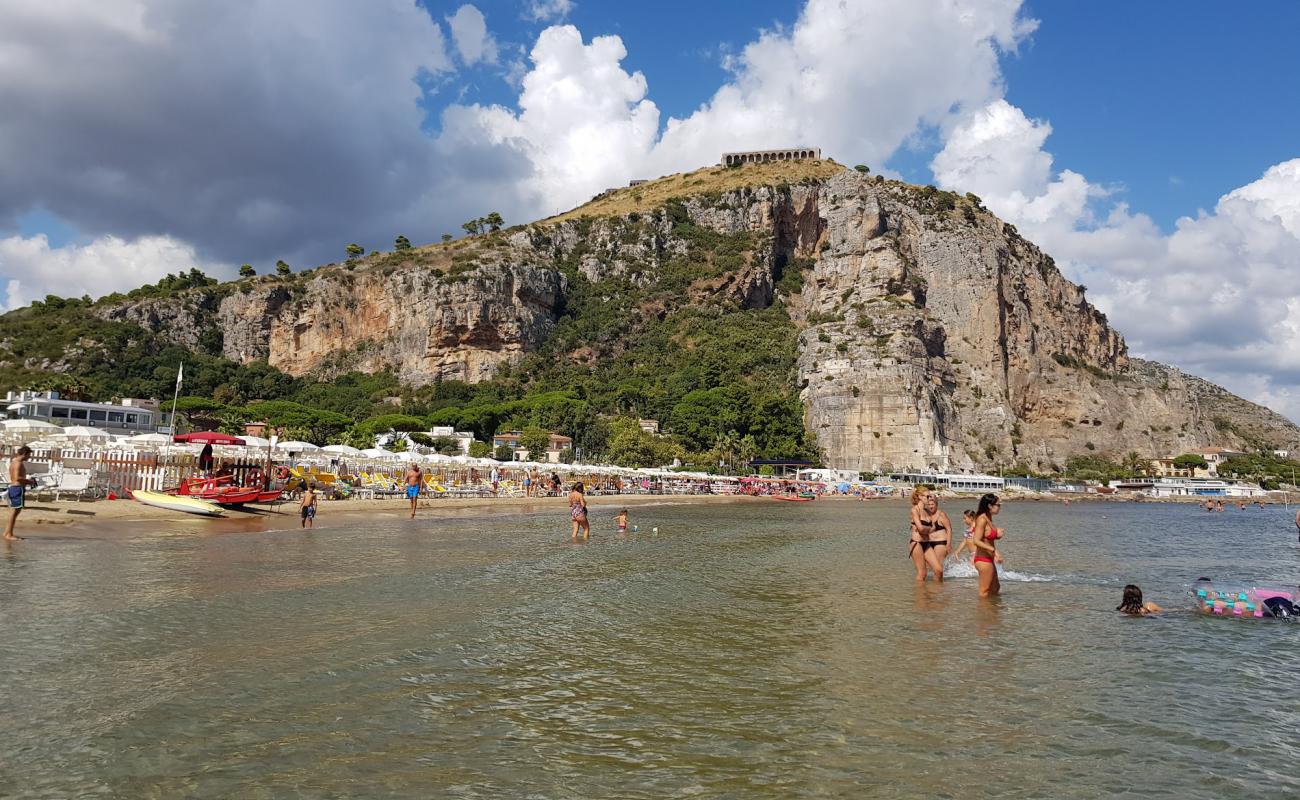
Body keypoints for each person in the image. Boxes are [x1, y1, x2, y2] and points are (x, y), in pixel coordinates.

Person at [909, 492, 951, 581]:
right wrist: (924, 529)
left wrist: (948, 543)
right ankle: (923, 592)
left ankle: (936, 591)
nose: (931, 505)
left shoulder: (939, 514)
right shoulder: (916, 510)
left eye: (933, 503)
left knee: (938, 569)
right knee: (923, 572)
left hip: (938, 542)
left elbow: (947, 529)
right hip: (919, 543)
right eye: (927, 498)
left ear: (937, 504)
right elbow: (921, 528)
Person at [970, 493, 1004, 597]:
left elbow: (985, 536)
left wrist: (997, 535)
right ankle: (983, 612)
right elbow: (976, 540)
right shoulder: (982, 519)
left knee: (995, 588)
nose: (1000, 507)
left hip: (989, 559)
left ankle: (992, 612)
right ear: (990, 506)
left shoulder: (988, 517)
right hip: (983, 560)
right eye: (998, 505)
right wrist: (993, 550)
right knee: (984, 593)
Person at [5, 445, 35, 541]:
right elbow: (17, 478)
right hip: (17, 488)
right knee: (14, 512)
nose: (29, 457)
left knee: (14, 512)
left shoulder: (14, 462)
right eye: (29, 455)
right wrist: (30, 481)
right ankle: (9, 534)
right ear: (24, 454)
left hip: (14, 488)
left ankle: (7, 533)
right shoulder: (18, 464)